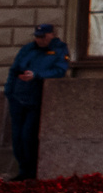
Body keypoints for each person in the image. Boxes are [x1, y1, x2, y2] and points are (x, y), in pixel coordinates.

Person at [4, 23, 71, 180]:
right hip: (18, 96)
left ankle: (32, 171)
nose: (39, 40)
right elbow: (14, 70)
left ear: (51, 35)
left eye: (42, 37)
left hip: (37, 97)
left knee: (28, 135)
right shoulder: (28, 49)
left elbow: (59, 71)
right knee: (17, 137)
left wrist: (36, 74)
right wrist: (9, 91)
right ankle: (23, 170)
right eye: (37, 37)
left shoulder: (59, 49)